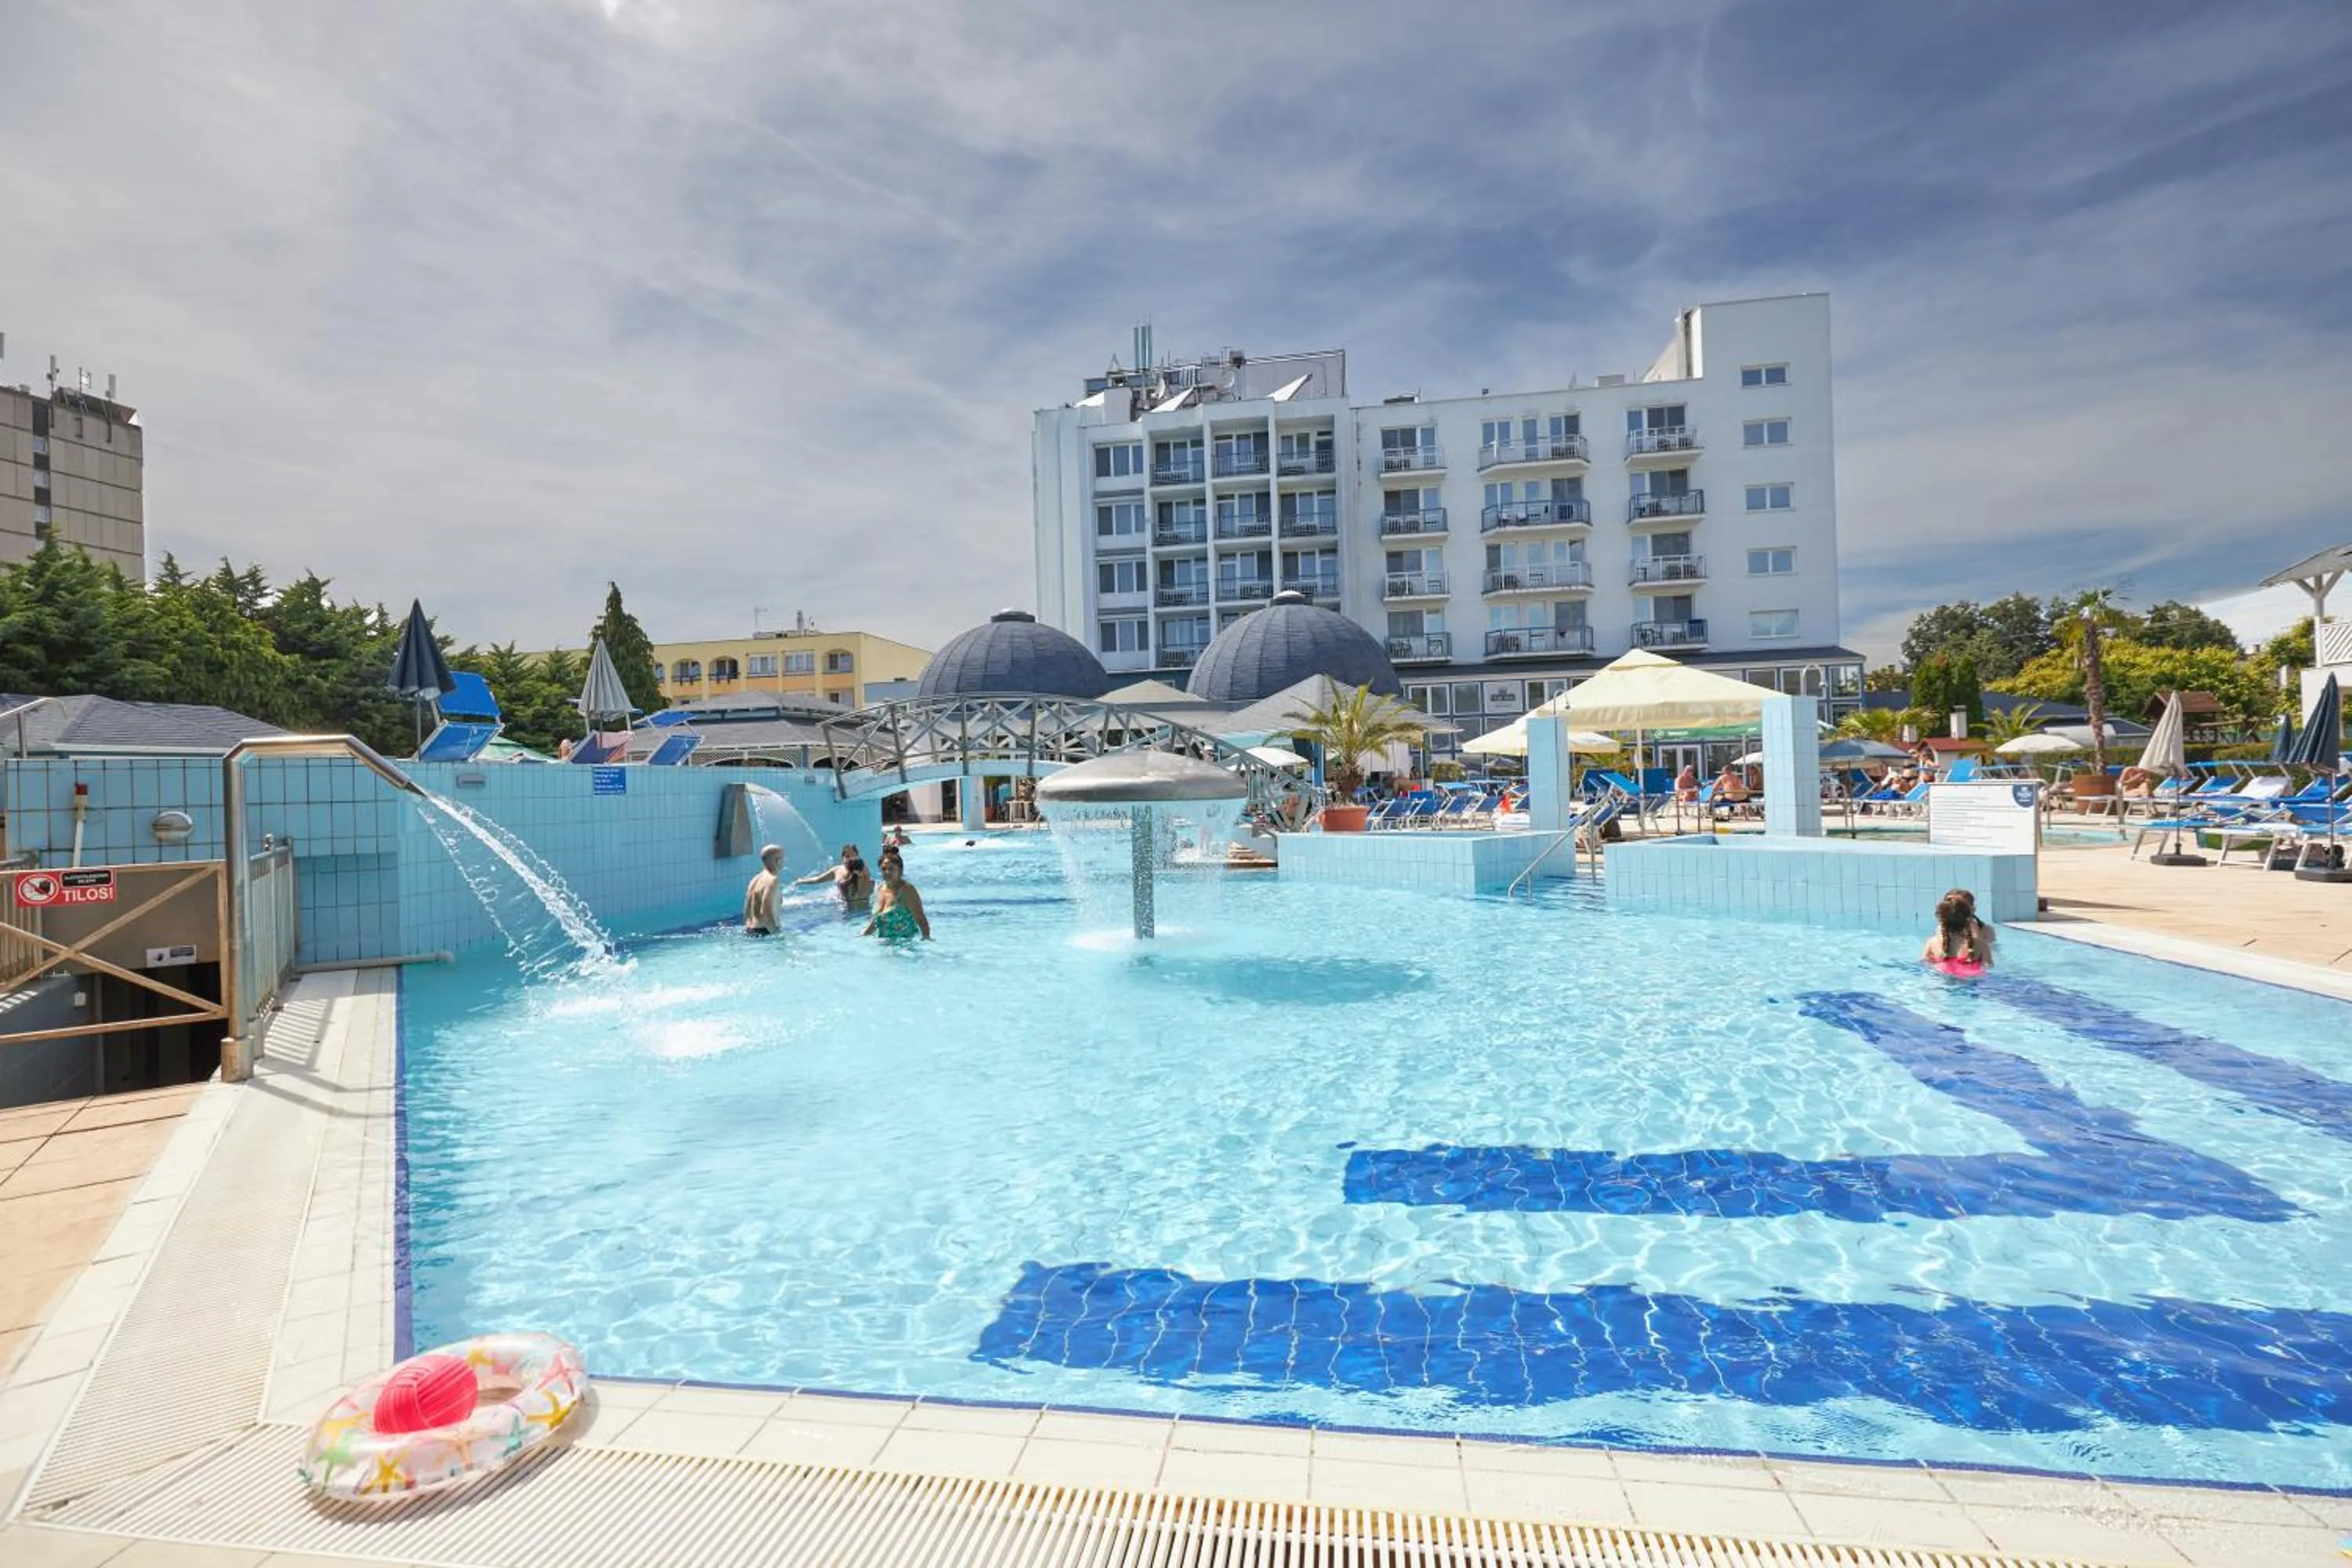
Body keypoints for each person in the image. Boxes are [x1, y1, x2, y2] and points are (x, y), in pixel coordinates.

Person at [1922, 887, 1995, 973]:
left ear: (1940, 919)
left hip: (1942, 979)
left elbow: (1924, 966)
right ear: (1969, 916)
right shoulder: (1982, 945)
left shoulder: (1932, 943)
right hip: (1972, 979)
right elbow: (1989, 968)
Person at [862, 858, 931, 942]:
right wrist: (863, 936)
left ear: (900, 871)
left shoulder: (907, 890)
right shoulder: (880, 889)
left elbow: (920, 918)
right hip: (883, 945)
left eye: (891, 869)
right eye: (884, 869)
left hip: (905, 946)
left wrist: (926, 938)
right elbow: (876, 920)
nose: (887, 872)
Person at [795, 843, 872, 911]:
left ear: (858, 857)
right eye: (847, 856)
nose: (850, 859)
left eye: (853, 856)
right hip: (843, 907)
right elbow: (817, 880)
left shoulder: (863, 869)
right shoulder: (837, 870)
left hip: (862, 907)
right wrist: (802, 881)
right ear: (842, 858)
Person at [742, 844, 785, 936]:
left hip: (750, 930)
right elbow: (766, 910)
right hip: (765, 931)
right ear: (778, 861)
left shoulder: (755, 879)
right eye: (783, 858)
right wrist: (777, 935)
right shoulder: (772, 880)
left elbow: (747, 908)